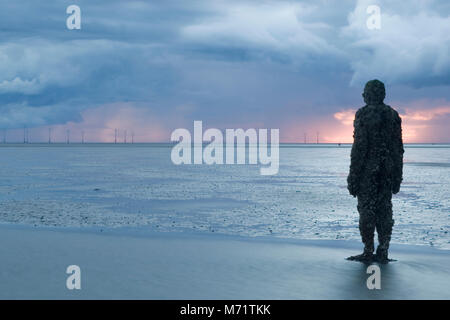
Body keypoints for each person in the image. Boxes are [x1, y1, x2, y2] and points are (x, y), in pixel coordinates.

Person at [347, 79, 404, 263]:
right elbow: (398, 149)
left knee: (366, 211)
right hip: (387, 171)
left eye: (365, 92)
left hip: (368, 172)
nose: (363, 95)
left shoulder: (363, 114)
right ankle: (383, 249)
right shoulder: (394, 116)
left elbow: (359, 148)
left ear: (369, 94)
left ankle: (368, 250)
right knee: (385, 210)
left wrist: (353, 177)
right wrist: (397, 177)